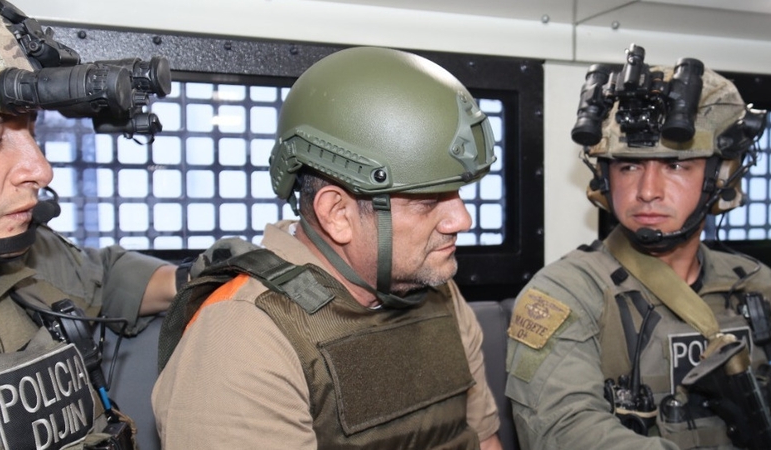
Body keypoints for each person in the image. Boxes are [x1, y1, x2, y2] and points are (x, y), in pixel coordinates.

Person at [152, 46, 504, 449]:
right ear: (337, 214)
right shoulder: (243, 339)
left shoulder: (436, 289)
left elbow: (482, 439)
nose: (462, 220)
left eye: (457, 195)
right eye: (427, 202)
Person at [505, 44, 771, 449]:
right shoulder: (566, 293)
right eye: (629, 166)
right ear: (605, 177)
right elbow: (564, 431)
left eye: (676, 166)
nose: (647, 191)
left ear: (722, 177)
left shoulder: (756, 286)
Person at [0, 3, 177, 449]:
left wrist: (210, 278)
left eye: (33, 132)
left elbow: (101, 275)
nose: (40, 169)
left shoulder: (30, 263)